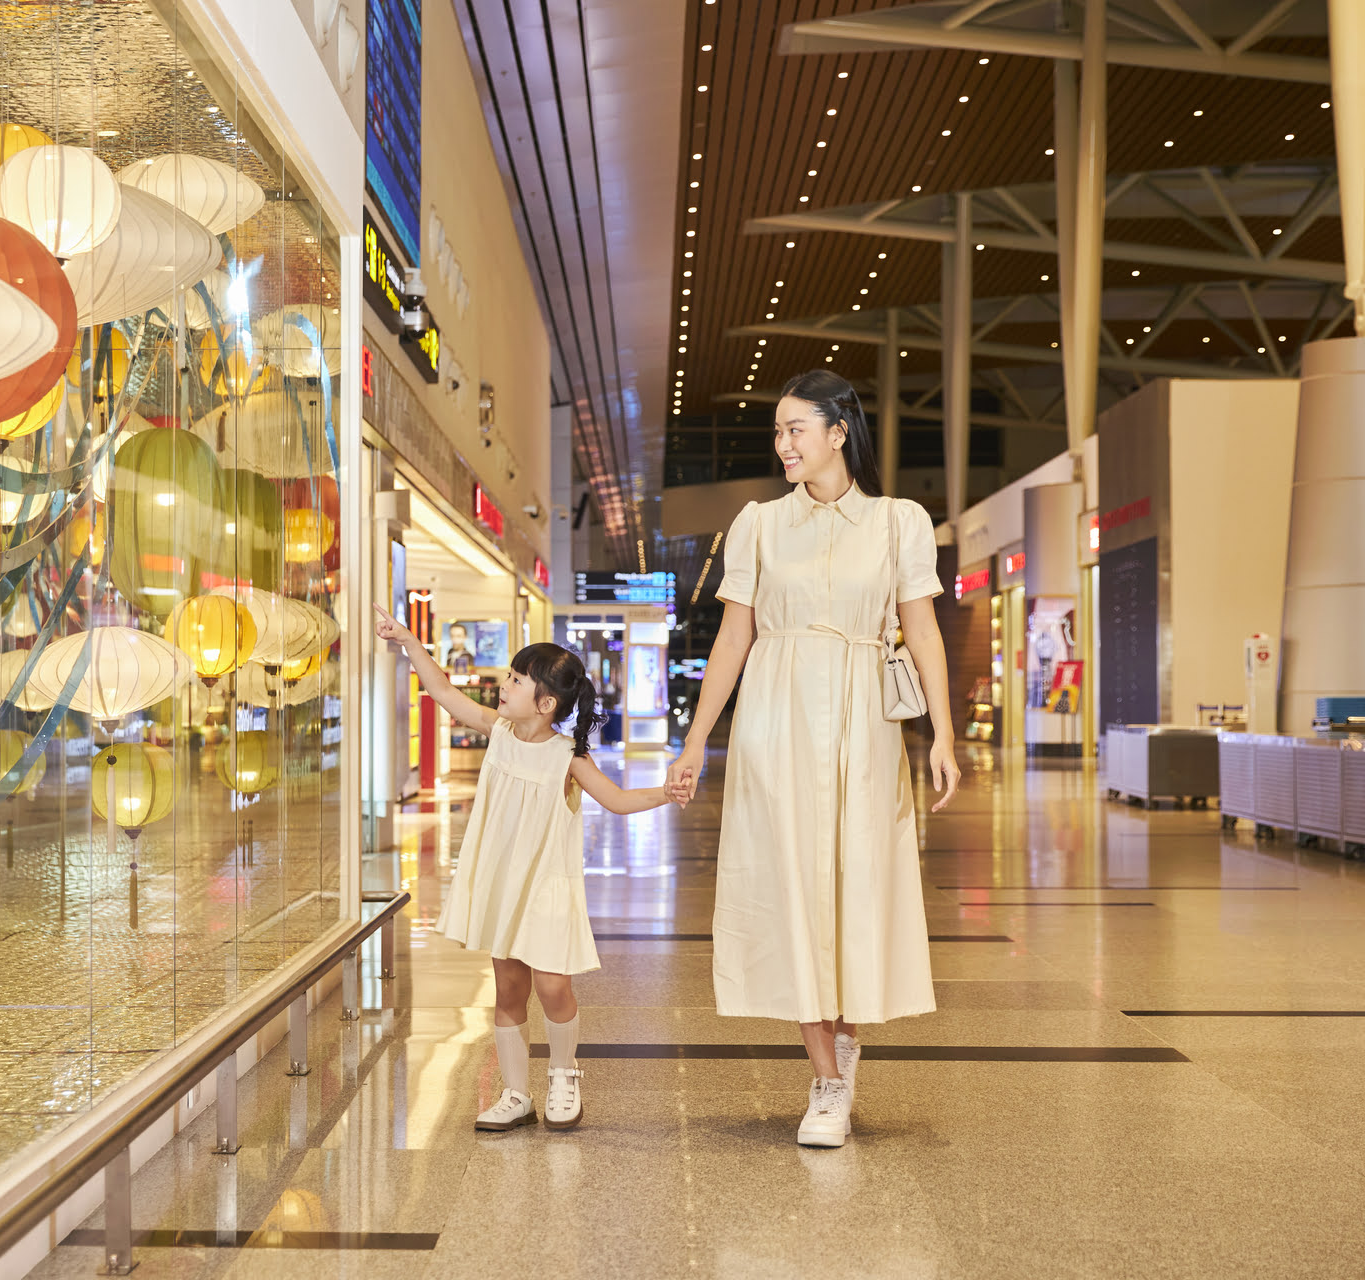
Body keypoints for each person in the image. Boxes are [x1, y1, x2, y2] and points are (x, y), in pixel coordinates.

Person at [665, 369, 960, 1148]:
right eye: (777, 431)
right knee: (791, 882)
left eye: (796, 428)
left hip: (864, 722)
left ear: (839, 432)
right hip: (776, 719)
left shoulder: (900, 521)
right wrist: (697, 739)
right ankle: (826, 1078)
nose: (783, 443)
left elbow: (922, 633)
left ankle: (849, 1039)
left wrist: (944, 733)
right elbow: (734, 638)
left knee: (857, 884)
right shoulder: (759, 523)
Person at [376, 604, 677, 1132]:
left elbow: (619, 800)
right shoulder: (497, 731)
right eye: (509, 676)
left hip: (548, 888)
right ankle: (516, 1094)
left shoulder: (569, 757)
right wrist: (407, 640)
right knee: (508, 985)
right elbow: (443, 692)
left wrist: (667, 793)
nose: (505, 686)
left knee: (553, 986)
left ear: (545, 703)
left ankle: (564, 1075)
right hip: (502, 882)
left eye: (516, 680)